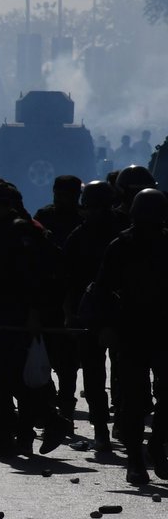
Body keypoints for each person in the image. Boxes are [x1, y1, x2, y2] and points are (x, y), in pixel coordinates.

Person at [0, 179, 71, 458]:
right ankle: (12, 432)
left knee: (7, 376)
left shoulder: (20, 232)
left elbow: (35, 279)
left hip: (17, 317)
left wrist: (34, 314)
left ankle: (43, 423)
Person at [93, 189, 168, 485]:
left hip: (159, 332)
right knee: (135, 401)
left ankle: (155, 445)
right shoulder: (121, 245)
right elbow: (103, 290)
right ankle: (137, 459)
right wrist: (107, 326)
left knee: (154, 398)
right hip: (132, 332)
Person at [63, 180, 127, 452]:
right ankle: (104, 427)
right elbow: (67, 279)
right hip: (95, 314)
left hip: (117, 313)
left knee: (115, 376)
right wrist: (70, 313)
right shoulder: (85, 235)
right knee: (99, 377)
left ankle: (113, 425)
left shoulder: (121, 233)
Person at [33, 175, 84, 428]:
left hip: (76, 293)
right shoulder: (45, 215)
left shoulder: (83, 219)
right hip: (49, 292)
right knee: (47, 356)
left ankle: (65, 406)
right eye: (57, 192)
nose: (60, 197)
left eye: (65, 193)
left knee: (69, 362)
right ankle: (52, 404)